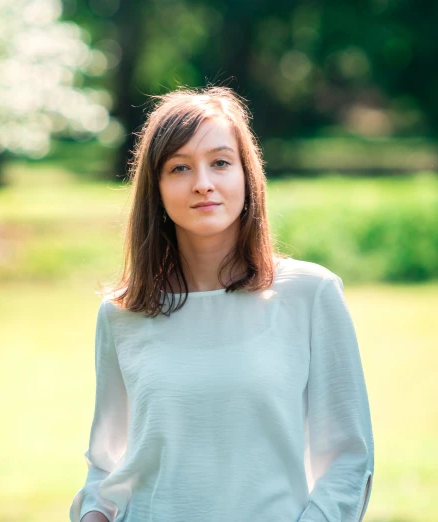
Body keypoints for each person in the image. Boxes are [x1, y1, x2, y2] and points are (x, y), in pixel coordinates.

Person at [69, 86, 374, 522]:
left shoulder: (311, 293)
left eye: (220, 162)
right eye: (179, 167)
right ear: (155, 188)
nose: (203, 183)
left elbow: (349, 460)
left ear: (247, 175)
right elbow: (106, 465)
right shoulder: (122, 314)